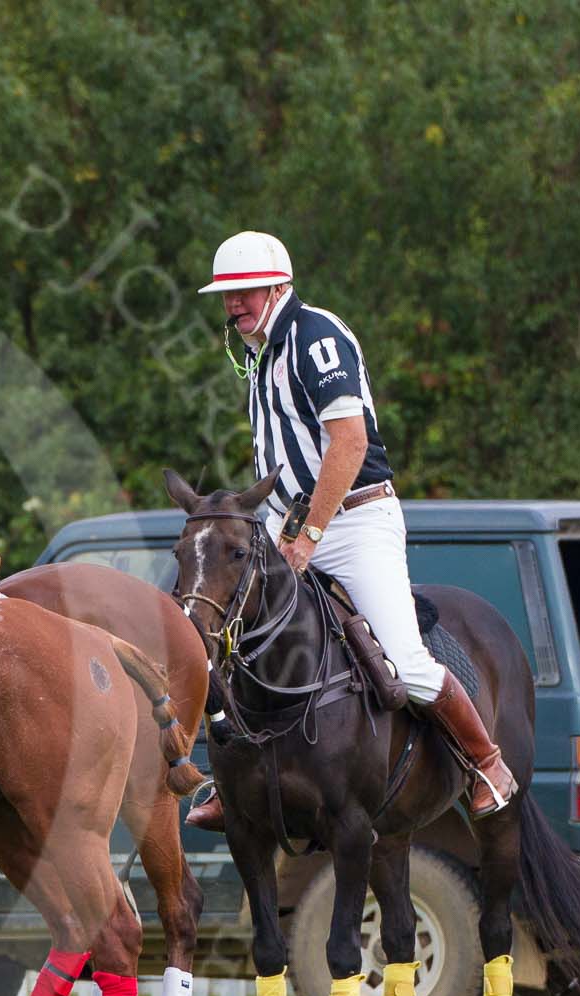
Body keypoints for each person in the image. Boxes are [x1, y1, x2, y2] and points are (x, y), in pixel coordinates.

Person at [186, 230, 517, 833]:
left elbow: (350, 441)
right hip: (284, 521)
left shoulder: (314, 336)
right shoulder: (259, 354)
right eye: (226, 296)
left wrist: (309, 535)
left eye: (244, 293)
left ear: (278, 286)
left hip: (354, 518)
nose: (233, 305)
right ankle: (226, 779)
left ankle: (486, 762)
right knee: (219, 630)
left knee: (407, 661)